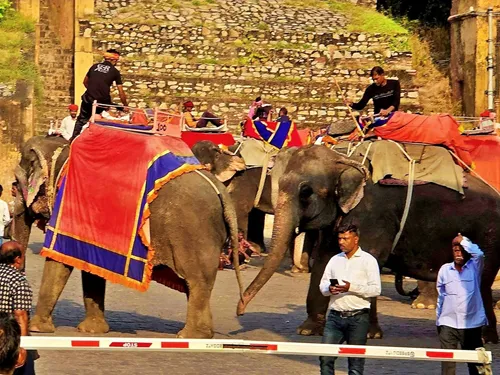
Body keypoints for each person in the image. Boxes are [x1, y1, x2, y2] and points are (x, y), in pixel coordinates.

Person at [319, 224, 381, 375]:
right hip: (335, 317)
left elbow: (375, 290)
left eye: (345, 238)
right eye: (339, 238)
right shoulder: (334, 260)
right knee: (325, 357)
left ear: (356, 239)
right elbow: (323, 284)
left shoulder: (368, 261)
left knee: (355, 363)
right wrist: (329, 289)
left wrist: (350, 287)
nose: (341, 242)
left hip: (358, 318)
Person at [436, 234, 487, 375]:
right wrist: (439, 321)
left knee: (476, 365)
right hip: (448, 323)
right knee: (447, 366)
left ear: (466, 251)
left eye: (461, 250)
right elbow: (441, 296)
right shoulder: (445, 270)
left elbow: (480, 254)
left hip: (471, 324)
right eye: (455, 250)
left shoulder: (475, 268)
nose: (458, 253)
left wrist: (462, 241)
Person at [70, 49, 129, 141]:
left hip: (88, 98)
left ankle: (73, 140)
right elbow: (121, 92)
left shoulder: (94, 66)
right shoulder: (115, 72)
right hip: (102, 102)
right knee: (106, 113)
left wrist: (92, 91)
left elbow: (85, 82)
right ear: (114, 60)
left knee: (81, 120)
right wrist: (125, 105)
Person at [0, 241, 36, 375]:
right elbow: (20, 315)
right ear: (18, 259)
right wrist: (22, 346)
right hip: (9, 337)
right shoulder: (18, 280)